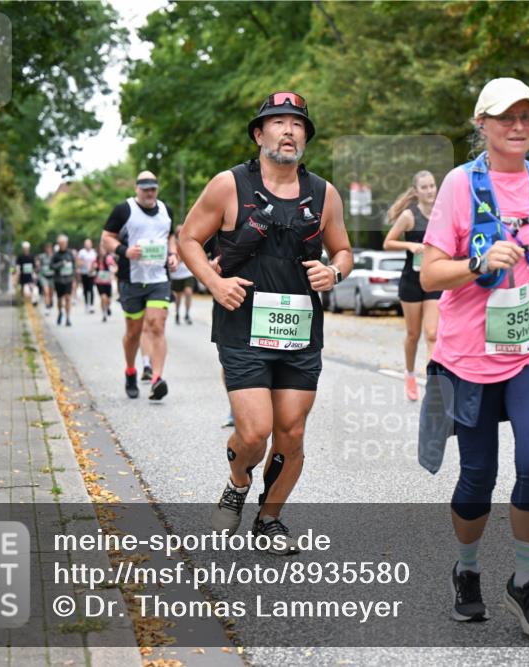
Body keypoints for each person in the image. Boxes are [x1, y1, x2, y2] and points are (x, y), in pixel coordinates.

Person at [419, 78, 529, 636]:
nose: (518, 127)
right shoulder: (458, 186)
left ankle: (524, 582)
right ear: (482, 124)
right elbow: (428, 272)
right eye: (506, 117)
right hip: (469, 353)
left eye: (527, 117)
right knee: (477, 477)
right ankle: (466, 571)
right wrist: (477, 261)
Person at [179, 91, 352, 553]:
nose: (289, 130)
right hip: (242, 325)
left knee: (291, 432)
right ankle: (238, 482)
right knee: (255, 431)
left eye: (297, 124)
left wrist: (333, 272)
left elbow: (344, 251)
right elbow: (189, 239)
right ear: (259, 134)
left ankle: (269, 520)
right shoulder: (228, 186)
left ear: (305, 139)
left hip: (300, 329)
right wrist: (214, 286)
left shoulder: (323, 193)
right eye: (278, 122)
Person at [100, 171, 178, 401]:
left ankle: (157, 379)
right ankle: (131, 371)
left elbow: (170, 237)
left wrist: (173, 254)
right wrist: (125, 251)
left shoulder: (166, 211)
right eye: (145, 188)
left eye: (153, 188)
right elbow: (106, 238)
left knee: (157, 325)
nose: (149, 192)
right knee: (133, 333)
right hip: (131, 279)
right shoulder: (123, 210)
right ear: (136, 189)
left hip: (158, 278)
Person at [383, 170, 441, 401]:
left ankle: (432, 384)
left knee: (433, 334)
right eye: (424, 187)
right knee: (413, 334)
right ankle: (409, 374)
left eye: (432, 186)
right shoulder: (409, 215)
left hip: (434, 279)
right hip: (411, 281)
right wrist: (410, 246)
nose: (429, 191)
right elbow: (388, 242)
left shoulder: (442, 214)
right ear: (416, 192)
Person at [51, 235, 76, 326]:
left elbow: (74, 266)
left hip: (68, 279)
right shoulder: (56, 255)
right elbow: (52, 266)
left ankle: (68, 318)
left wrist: (74, 278)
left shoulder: (70, 254)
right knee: (60, 299)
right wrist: (61, 264)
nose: (62, 245)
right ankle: (60, 312)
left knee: (68, 298)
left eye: (64, 243)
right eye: (61, 243)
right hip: (59, 280)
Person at [170, 248, 196, 325]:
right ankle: (177, 313)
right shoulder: (172, 240)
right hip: (176, 274)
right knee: (178, 296)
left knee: (188, 292)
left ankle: (187, 314)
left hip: (188, 273)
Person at [94, 245, 116, 322]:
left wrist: (113, 270)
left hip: (108, 281)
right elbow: (91, 268)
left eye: (103, 250)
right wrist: (94, 267)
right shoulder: (96, 259)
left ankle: (107, 307)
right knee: (103, 297)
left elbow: (115, 266)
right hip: (99, 282)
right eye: (100, 250)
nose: (102, 251)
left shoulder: (109, 258)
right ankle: (104, 314)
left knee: (108, 300)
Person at [77, 238, 98, 314]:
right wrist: (82, 264)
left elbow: (96, 262)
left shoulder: (93, 252)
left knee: (91, 288)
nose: (88, 245)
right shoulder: (81, 252)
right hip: (84, 273)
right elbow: (78, 261)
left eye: (89, 244)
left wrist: (94, 266)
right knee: (85, 289)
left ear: (91, 244)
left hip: (91, 273)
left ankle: (91, 305)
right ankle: (86, 304)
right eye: (86, 244)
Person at [15, 241, 38, 305]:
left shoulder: (32, 256)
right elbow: (18, 267)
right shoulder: (20, 257)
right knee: (22, 288)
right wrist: (17, 275)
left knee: (32, 287)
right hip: (22, 275)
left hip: (30, 275)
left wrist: (35, 273)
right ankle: (22, 300)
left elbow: (35, 266)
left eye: (27, 248)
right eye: (24, 248)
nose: (25, 249)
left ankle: (34, 299)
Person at [38, 242, 55, 311]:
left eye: (49, 248)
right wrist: (38, 266)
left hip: (52, 276)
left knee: (51, 292)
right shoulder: (42, 256)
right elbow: (38, 263)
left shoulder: (54, 256)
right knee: (46, 291)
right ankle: (47, 306)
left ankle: (50, 302)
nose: (48, 250)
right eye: (47, 248)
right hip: (44, 276)